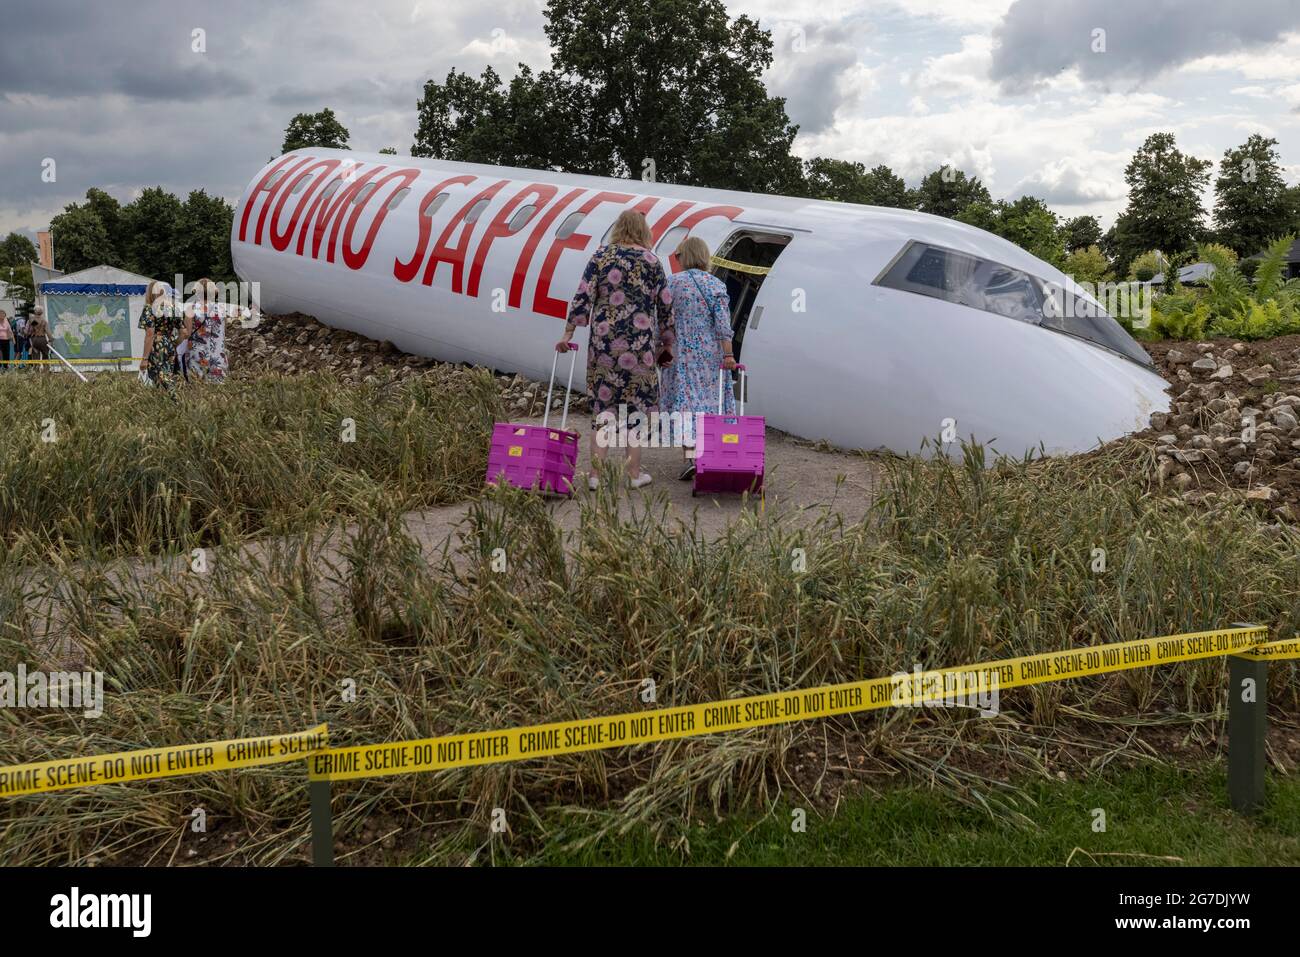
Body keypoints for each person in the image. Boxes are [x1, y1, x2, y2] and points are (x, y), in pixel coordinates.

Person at [556, 210, 675, 490]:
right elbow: (666, 306)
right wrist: (666, 344)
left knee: (604, 406)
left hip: (605, 344)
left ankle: (596, 476)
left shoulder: (601, 256)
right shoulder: (652, 261)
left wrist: (568, 332)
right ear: (643, 230)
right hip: (640, 346)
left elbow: (583, 294)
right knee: (635, 408)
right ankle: (633, 475)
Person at [660, 237, 736, 480]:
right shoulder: (715, 285)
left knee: (685, 404)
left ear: (685, 257)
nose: (677, 260)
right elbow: (723, 324)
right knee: (711, 403)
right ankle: (712, 455)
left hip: (680, 354)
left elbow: (662, 320)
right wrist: (729, 354)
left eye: (678, 255)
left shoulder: (672, 283)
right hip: (709, 356)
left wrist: (662, 348)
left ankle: (691, 456)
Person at [138, 281, 190, 397]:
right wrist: (175, 343)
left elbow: (150, 334)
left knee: (160, 377)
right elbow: (184, 332)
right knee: (169, 374)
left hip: (156, 346)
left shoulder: (149, 309)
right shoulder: (173, 309)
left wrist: (144, 359)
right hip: (170, 344)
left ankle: (175, 399)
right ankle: (173, 400)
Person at [186, 278, 228, 383]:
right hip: (218, 354)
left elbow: (188, 332)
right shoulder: (222, 309)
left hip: (198, 353)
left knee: (197, 387)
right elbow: (223, 331)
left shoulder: (191, 308)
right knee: (218, 389)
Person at [26, 306, 51, 370]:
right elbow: (48, 332)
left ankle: (36, 371)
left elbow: (27, 331)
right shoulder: (44, 321)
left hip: (34, 339)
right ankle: (46, 371)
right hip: (42, 339)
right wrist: (51, 340)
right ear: (42, 312)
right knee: (45, 355)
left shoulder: (31, 320)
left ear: (35, 312)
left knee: (35, 356)